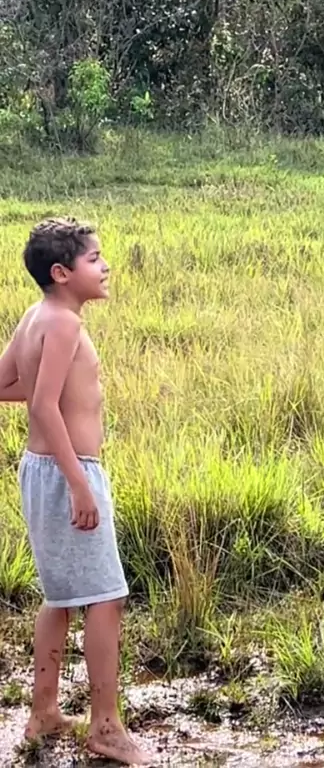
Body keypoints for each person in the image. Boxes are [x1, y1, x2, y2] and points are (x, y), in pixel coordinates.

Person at [0, 218, 153, 765]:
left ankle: (44, 712)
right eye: (94, 259)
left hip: (41, 471)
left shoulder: (36, 315)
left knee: (60, 596)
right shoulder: (63, 324)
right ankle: (106, 725)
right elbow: (43, 406)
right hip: (69, 473)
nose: (105, 266)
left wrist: (49, 389)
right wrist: (80, 485)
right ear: (62, 273)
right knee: (106, 597)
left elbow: (5, 384)